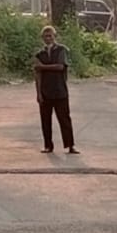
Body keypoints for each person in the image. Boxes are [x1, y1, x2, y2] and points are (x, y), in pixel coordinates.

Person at [34, 26, 77, 154]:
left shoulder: (61, 50)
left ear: (54, 36)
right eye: (46, 36)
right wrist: (38, 93)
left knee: (64, 119)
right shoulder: (39, 54)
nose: (48, 38)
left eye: (50, 35)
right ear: (42, 38)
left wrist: (43, 67)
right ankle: (48, 145)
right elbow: (37, 75)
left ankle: (70, 145)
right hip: (45, 91)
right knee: (45, 120)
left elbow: (60, 66)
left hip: (60, 91)